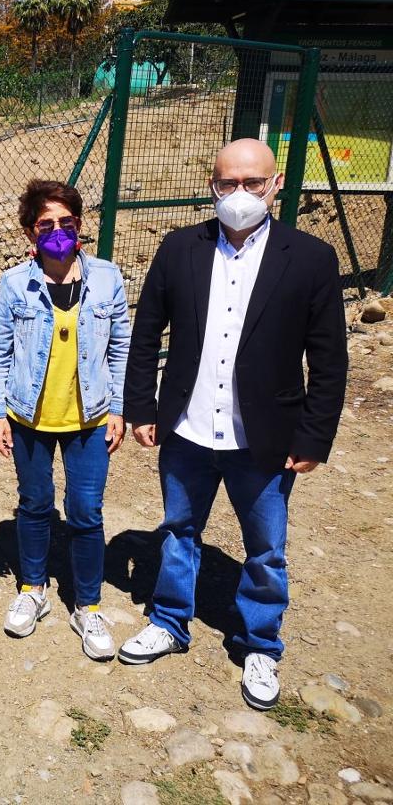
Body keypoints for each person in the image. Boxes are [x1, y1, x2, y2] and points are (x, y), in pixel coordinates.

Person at [119, 139, 347, 710]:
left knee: (266, 548)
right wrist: (141, 407)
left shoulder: (311, 259)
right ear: (212, 185)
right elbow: (146, 333)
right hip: (189, 431)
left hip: (263, 438)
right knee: (177, 530)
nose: (239, 194)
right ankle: (170, 621)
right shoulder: (180, 249)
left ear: (274, 186)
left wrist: (314, 435)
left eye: (252, 182)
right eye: (227, 183)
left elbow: (328, 359)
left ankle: (260, 643)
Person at [0, 180, 131, 661]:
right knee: (34, 504)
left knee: (87, 512)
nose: (57, 232)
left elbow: (120, 349)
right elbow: (0, 354)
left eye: (66, 223)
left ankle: (87, 605)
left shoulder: (108, 279)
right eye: (46, 224)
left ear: (80, 225)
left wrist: (118, 407)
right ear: (31, 231)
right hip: (28, 417)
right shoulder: (14, 283)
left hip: (89, 419)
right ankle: (32, 588)